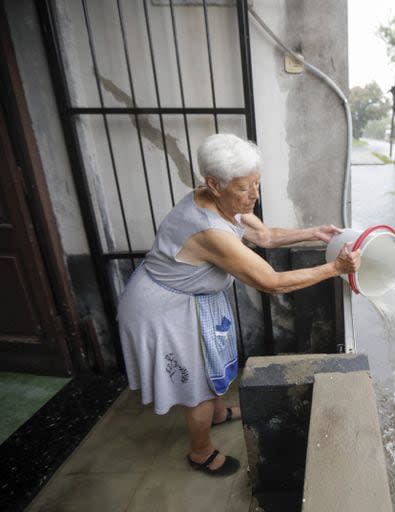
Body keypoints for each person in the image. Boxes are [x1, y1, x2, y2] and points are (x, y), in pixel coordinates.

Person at [117, 133, 361, 476]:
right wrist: (335, 268)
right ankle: (200, 452)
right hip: (163, 310)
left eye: (257, 184)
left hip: (191, 301)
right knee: (196, 385)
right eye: (245, 188)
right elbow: (270, 281)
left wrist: (314, 232)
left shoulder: (223, 202)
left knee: (208, 365)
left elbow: (265, 236)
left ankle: (216, 414)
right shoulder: (208, 230)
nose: (254, 195)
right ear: (214, 184)